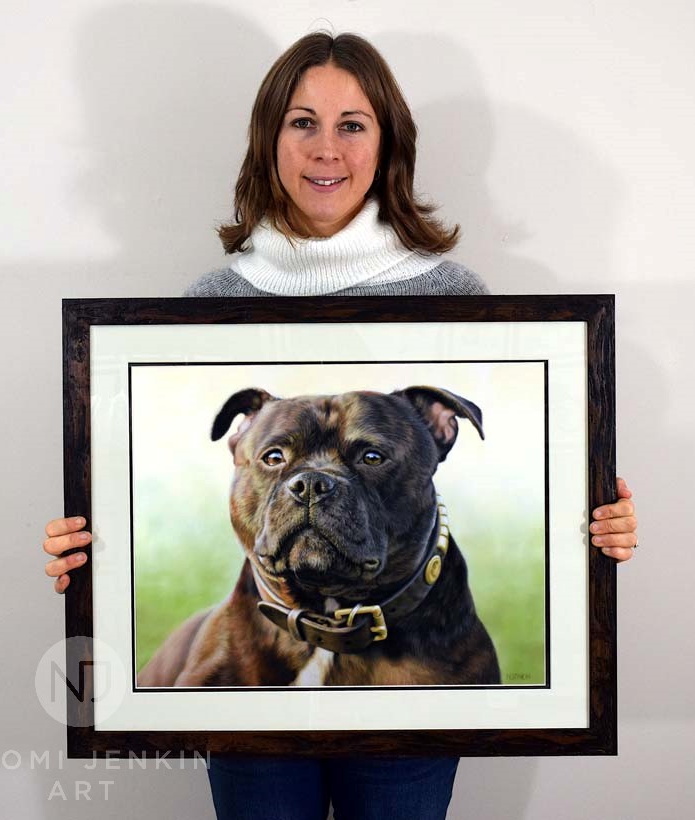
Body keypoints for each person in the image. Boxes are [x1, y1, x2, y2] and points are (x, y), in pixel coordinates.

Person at [43, 31, 638, 820]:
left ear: (387, 142)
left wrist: (600, 525)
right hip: (256, 667)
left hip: (417, 656)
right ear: (270, 139)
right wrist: (87, 554)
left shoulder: (454, 295)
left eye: (353, 124)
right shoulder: (210, 297)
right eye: (302, 122)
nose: (327, 148)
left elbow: (567, 471)